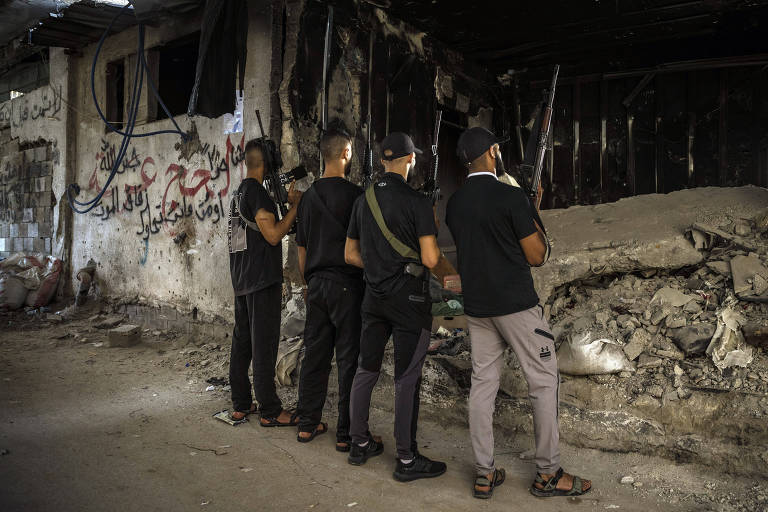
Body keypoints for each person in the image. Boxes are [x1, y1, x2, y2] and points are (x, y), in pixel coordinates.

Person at [445, 127, 592, 499]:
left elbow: (486, 246)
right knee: (543, 382)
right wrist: (531, 211)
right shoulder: (511, 197)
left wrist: (527, 209)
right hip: (516, 307)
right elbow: (537, 255)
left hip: (478, 308)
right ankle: (548, 473)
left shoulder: (455, 203)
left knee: (483, 385)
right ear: (493, 152)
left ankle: (484, 472)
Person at [344, 132, 447, 482]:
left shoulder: (363, 201)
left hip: (373, 298)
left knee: (366, 370)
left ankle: (358, 443)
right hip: (410, 301)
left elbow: (350, 254)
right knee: (406, 379)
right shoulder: (416, 202)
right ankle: (406, 460)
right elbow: (431, 257)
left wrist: (379, 269)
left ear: (383, 161)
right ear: (410, 159)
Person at [295, 128, 377, 451]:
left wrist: (310, 282)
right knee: (348, 360)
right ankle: (345, 434)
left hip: (315, 286)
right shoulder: (357, 196)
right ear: (346, 154)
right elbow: (363, 248)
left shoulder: (308, 197)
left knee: (314, 355)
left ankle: (306, 424)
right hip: (347, 287)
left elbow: (301, 251)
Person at [227, 137, 302, 426]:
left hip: (243, 280)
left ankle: (241, 404)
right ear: (268, 163)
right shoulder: (257, 193)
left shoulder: (239, 193)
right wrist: (296, 207)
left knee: (243, 343)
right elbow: (273, 235)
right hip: (260, 281)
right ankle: (270, 411)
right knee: (264, 346)